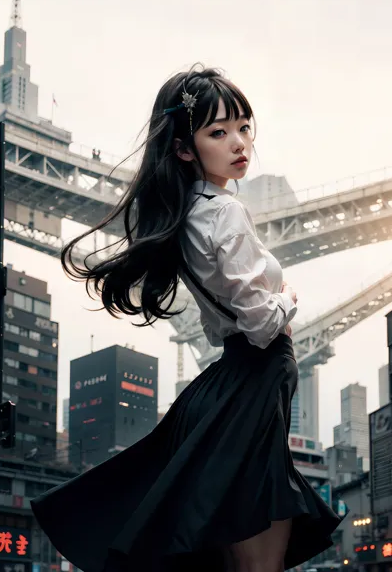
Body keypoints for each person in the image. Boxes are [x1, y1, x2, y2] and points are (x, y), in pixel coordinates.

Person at [31, 66, 343, 572]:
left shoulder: (189, 214)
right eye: (218, 133)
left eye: (244, 127)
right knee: (257, 551)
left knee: (230, 540)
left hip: (233, 387)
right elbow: (262, 324)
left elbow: (224, 321)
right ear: (183, 149)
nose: (239, 143)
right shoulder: (225, 213)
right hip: (254, 384)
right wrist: (290, 297)